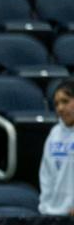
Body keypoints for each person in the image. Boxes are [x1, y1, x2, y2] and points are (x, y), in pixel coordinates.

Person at [40, 79, 74, 215]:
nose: (60, 108)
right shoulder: (54, 134)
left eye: (65, 101)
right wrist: (45, 207)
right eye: (56, 104)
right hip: (53, 217)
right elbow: (45, 174)